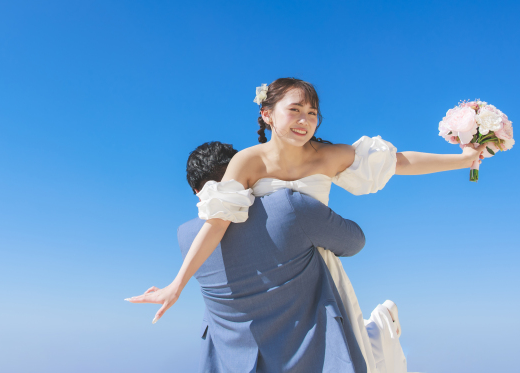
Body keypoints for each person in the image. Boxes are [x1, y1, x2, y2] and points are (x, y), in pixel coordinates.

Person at [128, 78, 494, 371]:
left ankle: (379, 329)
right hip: (275, 270)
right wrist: (177, 284)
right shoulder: (247, 161)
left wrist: (463, 161)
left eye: (312, 112)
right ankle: (380, 327)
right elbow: (219, 220)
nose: (305, 120)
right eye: (295, 110)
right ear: (267, 114)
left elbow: (399, 162)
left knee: (339, 349)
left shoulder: (328, 155)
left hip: (315, 265)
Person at [136, 140, 369, 372]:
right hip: (313, 360)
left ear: (197, 192)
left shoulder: (186, 237)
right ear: (245, 173)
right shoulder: (290, 207)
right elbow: (354, 242)